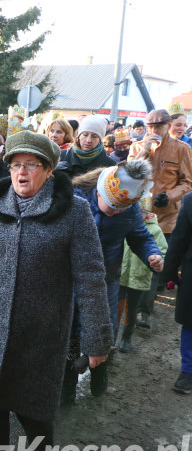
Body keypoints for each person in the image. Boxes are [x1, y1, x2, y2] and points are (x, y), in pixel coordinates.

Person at [0, 131, 112, 451]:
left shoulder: (74, 212)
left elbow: (91, 280)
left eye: (31, 165)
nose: (21, 173)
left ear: (49, 170)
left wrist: (96, 341)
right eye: (15, 165)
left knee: (35, 424)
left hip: (40, 338)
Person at [68, 160, 163, 398]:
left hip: (106, 277)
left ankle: (100, 373)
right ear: (99, 190)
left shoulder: (129, 210)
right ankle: (66, 385)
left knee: (104, 328)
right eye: (110, 206)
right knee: (69, 327)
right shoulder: (75, 198)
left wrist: (152, 253)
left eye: (119, 209)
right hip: (71, 276)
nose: (113, 212)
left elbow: (140, 236)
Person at [128, 109, 192, 328]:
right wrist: (143, 150)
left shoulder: (181, 149)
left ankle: (145, 312)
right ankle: (132, 311)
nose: (154, 130)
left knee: (156, 263)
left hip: (165, 217)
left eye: (159, 126)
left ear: (167, 126)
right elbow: (125, 175)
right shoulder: (136, 146)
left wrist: (171, 196)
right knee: (137, 262)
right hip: (137, 215)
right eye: (151, 126)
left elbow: (188, 183)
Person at [118, 195, 167, 352]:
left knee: (131, 311)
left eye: (141, 212)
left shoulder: (155, 230)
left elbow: (162, 252)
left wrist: (157, 260)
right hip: (121, 274)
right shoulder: (125, 224)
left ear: (147, 212)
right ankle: (110, 337)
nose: (137, 216)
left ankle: (126, 337)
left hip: (139, 277)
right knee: (115, 308)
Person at [161, 192, 192, 394]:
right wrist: (170, 272)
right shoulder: (190, 201)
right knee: (190, 322)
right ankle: (188, 371)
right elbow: (179, 239)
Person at [57, 115, 115, 179]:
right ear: (79, 136)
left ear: (100, 140)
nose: (88, 140)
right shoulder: (61, 156)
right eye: (85, 135)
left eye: (94, 136)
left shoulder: (110, 165)